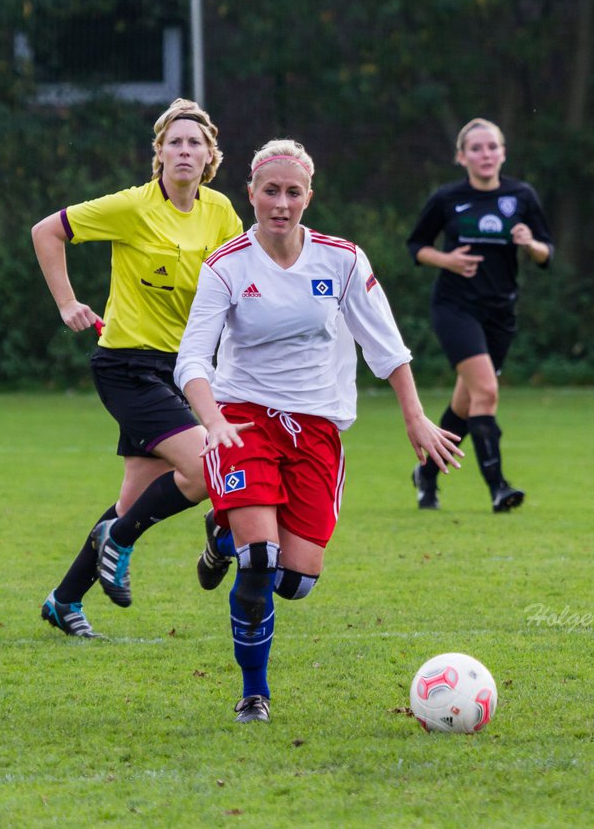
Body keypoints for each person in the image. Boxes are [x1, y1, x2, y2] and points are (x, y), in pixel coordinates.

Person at [175, 140, 462, 723]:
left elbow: (388, 348)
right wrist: (213, 421)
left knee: (295, 582)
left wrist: (415, 416)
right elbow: (192, 361)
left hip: (316, 430)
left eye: (293, 192)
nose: (281, 203)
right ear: (250, 194)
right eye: (270, 191)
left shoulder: (342, 261)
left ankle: (220, 533)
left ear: (309, 197)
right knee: (260, 561)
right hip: (242, 421)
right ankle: (254, 693)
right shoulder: (226, 265)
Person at [30, 98, 244, 638]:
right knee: (204, 468)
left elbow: (241, 288)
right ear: (159, 153)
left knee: (131, 500)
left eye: (195, 141)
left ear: (210, 155)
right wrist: (66, 303)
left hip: (185, 371)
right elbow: (46, 231)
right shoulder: (133, 206)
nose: (184, 149)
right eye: (174, 141)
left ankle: (63, 600)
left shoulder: (221, 212)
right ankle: (141, 539)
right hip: (127, 368)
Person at [405, 118, 553, 512]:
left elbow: (546, 254)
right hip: (455, 308)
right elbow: (416, 245)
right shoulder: (447, 198)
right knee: (486, 392)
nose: (485, 154)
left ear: (503, 153)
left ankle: (427, 475)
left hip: (500, 312)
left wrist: (531, 243)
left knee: (467, 403)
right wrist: (447, 259)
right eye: (476, 148)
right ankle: (498, 488)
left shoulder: (521, 195)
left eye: (492, 147)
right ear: (461, 156)